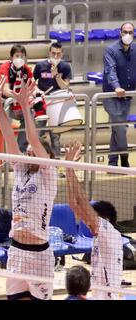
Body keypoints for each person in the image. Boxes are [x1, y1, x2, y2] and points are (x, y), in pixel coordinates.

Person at [0, 76, 57, 300]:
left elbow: (32, 136)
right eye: (28, 151)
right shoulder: (21, 169)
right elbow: (9, 136)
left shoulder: (49, 173)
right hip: (17, 251)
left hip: (39, 256)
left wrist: (24, 105)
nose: (29, 153)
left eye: (33, 151)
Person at [65, 140, 123, 300]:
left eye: (92, 217)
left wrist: (70, 168)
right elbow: (74, 205)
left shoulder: (110, 233)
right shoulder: (99, 234)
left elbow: (82, 203)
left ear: (105, 219)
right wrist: (68, 170)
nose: (88, 222)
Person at [0, 44, 41, 183]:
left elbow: (33, 86)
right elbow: (5, 90)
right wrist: (19, 96)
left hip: (11, 104)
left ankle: (19, 157)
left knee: (29, 118)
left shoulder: (26, 70)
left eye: (22, 56)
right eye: (17, 56)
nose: (19, 58)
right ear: (11, 57)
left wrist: (37, 92)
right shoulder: (5, 67)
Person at [102, 22, 136, 168]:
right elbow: (110, 70)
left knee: (117, 128)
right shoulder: (111, 50)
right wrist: (116, 87)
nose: (127, 35)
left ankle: (112, 163)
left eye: (130, 32)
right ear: (120, 33)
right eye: (125, 32)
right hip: (111, 95)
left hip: (127, 95)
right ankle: (124, 159)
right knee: (121, 128)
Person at [33, 42, 72, 159]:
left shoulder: (65, 67)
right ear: (49, 53)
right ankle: (37, 163)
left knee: (55, 137)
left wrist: (57, 76)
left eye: (58, 54)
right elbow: (32, 82)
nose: (55, 56)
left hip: (57, 105)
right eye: (53, 53)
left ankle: (56, 165)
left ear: (62, 54)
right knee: (38, 134)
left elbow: (65, 86)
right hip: (41, 105)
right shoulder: (40, 66)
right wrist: (37, 90)